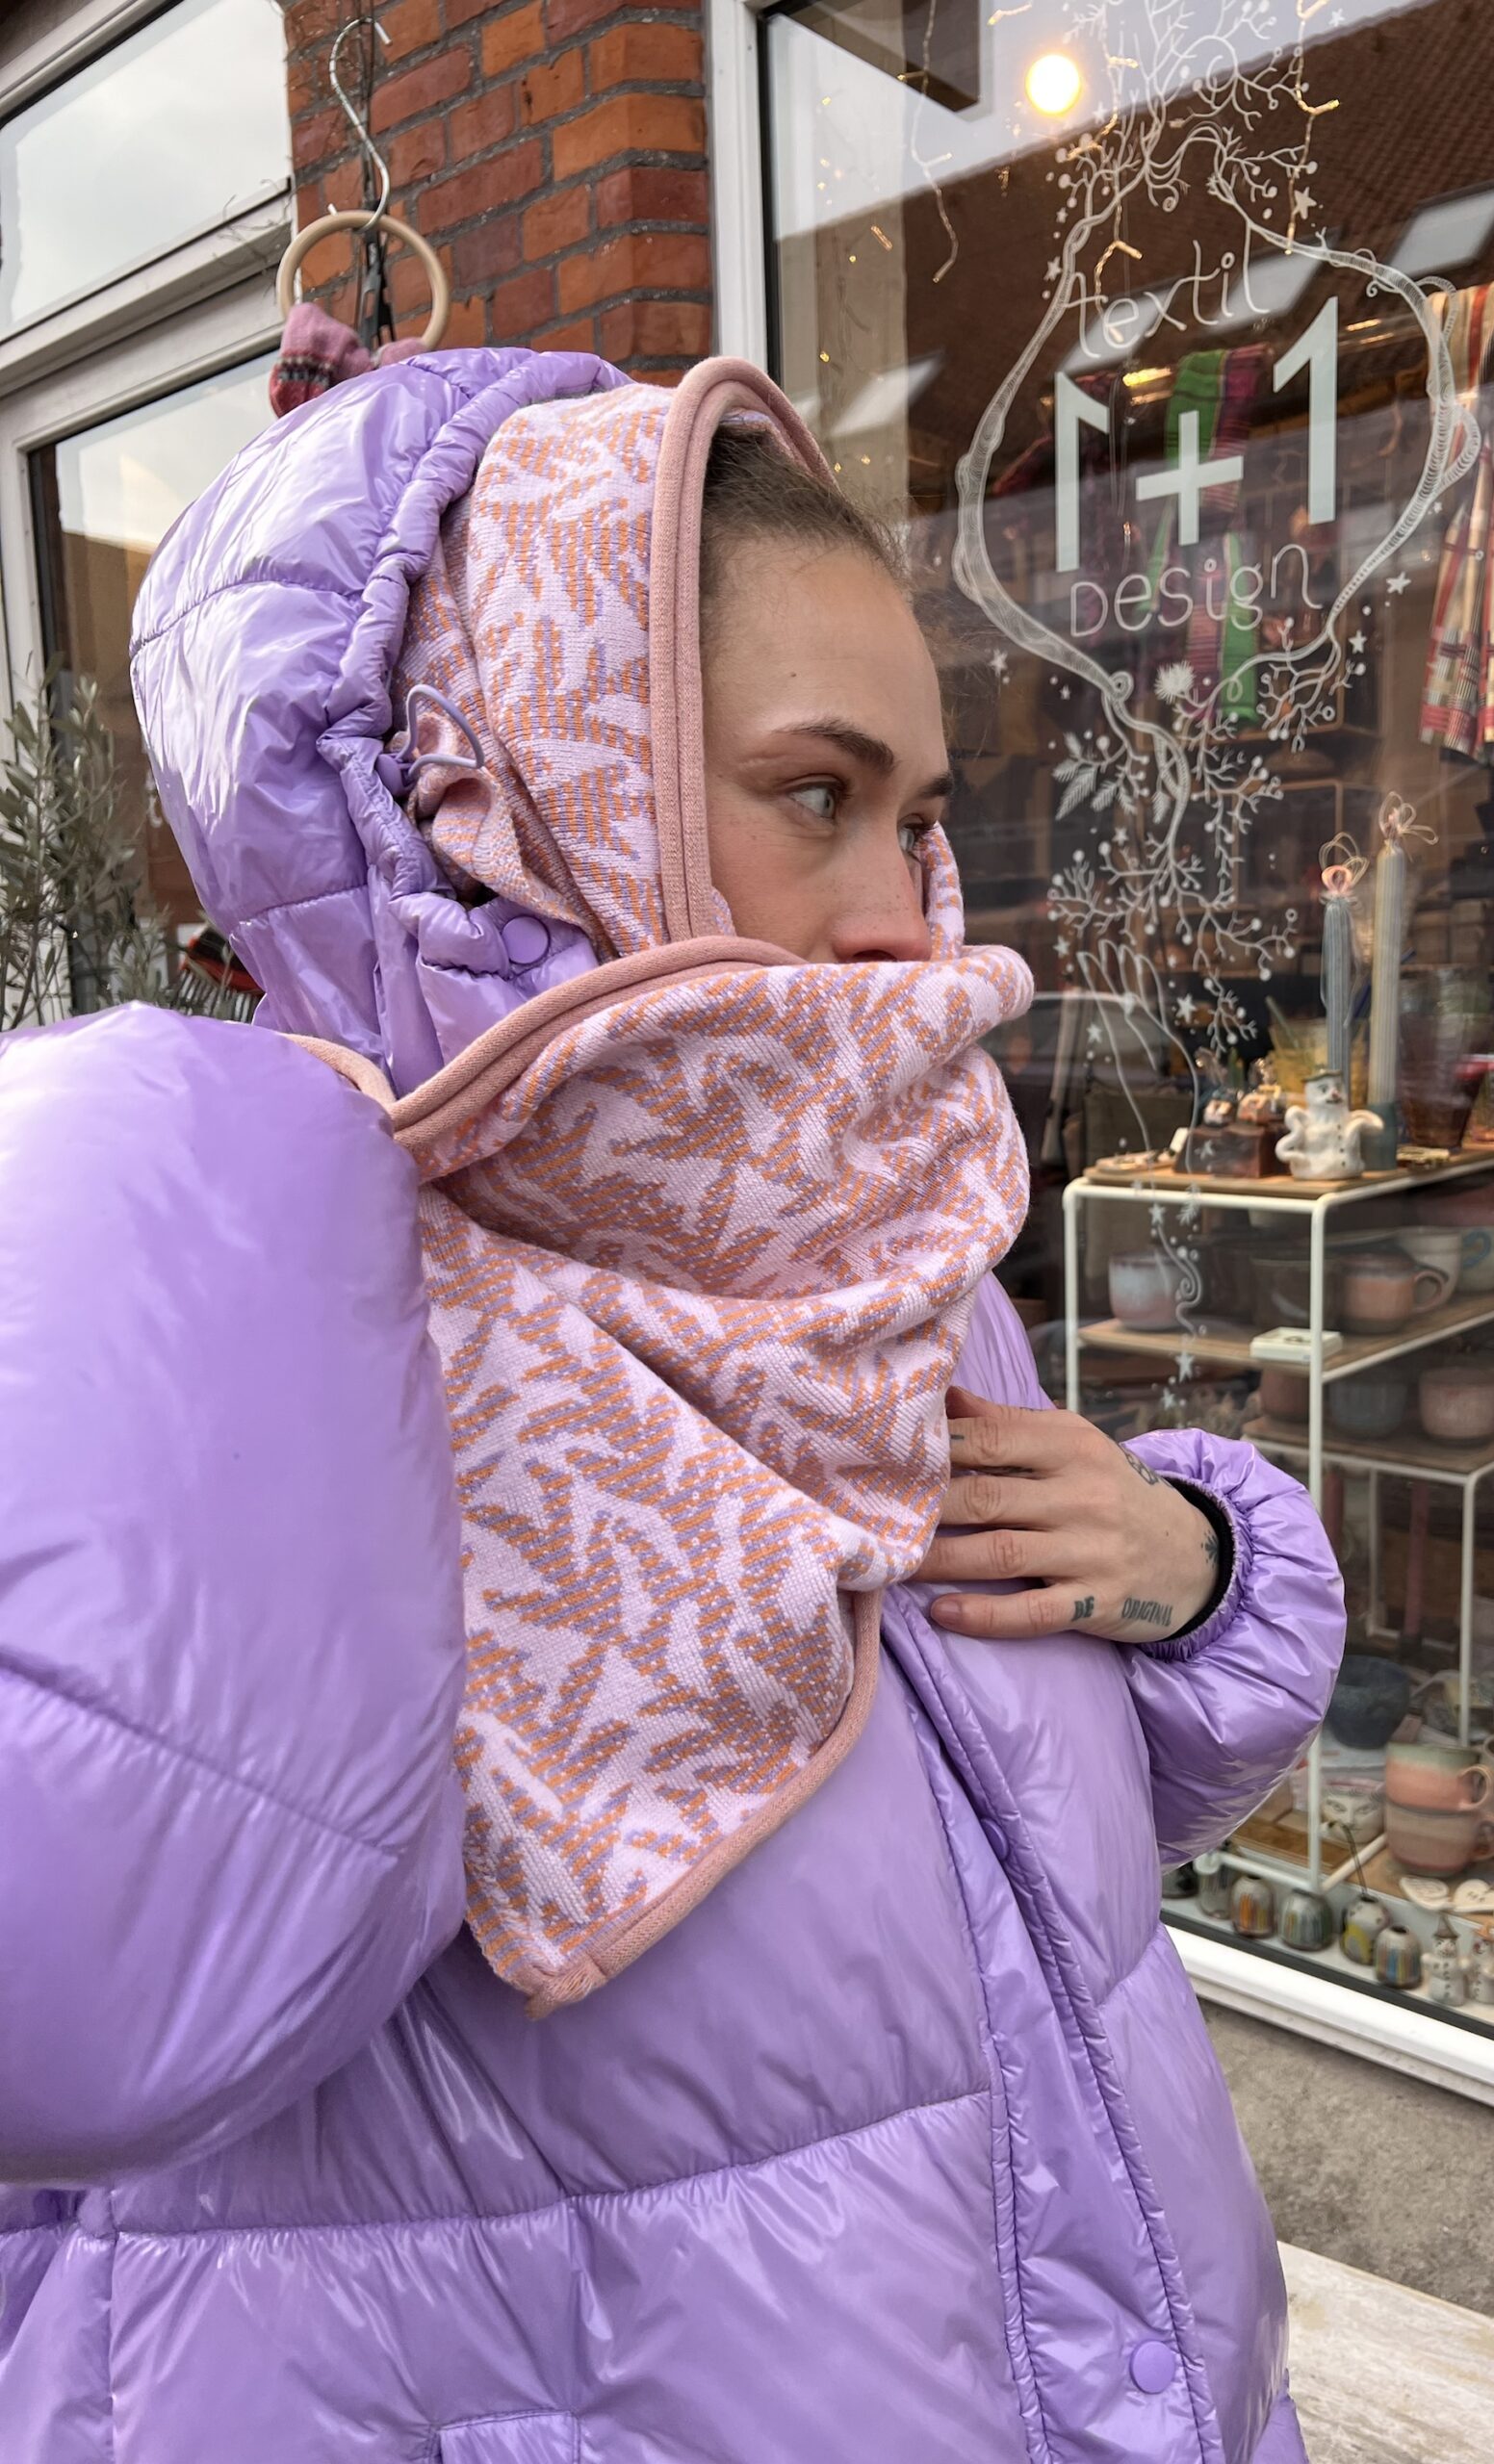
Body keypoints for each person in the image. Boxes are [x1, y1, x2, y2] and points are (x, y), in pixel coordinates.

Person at [0, 351, 1342, 2462]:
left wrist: (1192, 1575)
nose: (902, 915)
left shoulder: (854, 1237)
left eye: (920, 817)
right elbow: (109, 1994)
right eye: (818, 794)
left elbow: (1007, 1843)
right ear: (533, 786)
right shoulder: (289, 1326)